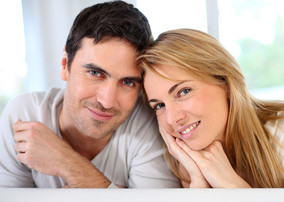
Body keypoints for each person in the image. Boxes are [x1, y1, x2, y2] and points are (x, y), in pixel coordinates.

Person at [0, 1, 180, 188]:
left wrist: (68, 164)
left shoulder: (149, 122)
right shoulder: (24, 116)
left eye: (127, 82)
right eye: (95, 73)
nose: (107, 101)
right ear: (64, 64)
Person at [137, 28, 284, 188]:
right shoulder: (186, 159)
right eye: (160, 105)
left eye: (183, 91)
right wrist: (197, 182)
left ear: (225, 83)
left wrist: (234, 188)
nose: (172, 118)